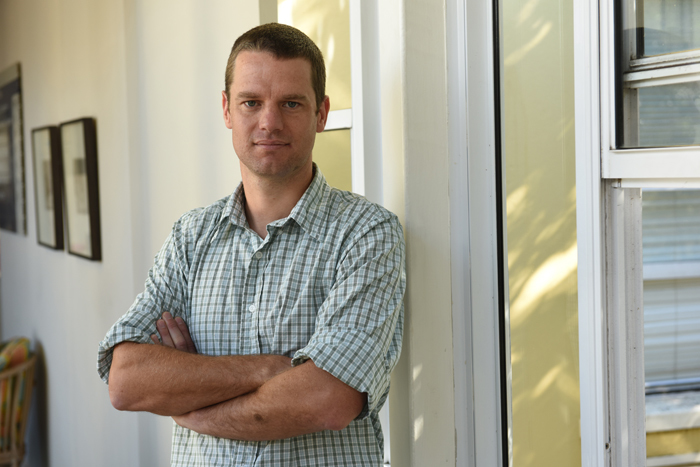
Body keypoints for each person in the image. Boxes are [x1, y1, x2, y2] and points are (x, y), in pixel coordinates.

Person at [97, 23, 405, 466]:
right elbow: (127, 380)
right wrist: (269, 369)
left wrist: (191, 403)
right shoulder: (191, 237)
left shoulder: (367, 233)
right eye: (251, 102)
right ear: (227, 110)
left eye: (291, 103)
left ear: (321, 113)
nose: (269, 122)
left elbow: (328, 398)